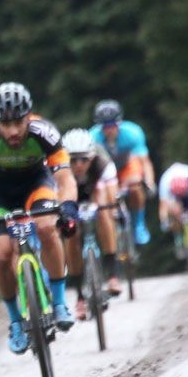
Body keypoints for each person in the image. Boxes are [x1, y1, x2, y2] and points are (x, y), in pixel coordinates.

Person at [0, 82, 79, 353]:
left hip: (36, 184)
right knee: (0, 253)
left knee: (48, 227)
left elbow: (65, 179)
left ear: (29, 116)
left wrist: (69, 208)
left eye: (19, 122)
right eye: (6, 124)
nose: (13, 131)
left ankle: (59, 302)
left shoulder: (45, 133)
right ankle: (15, 320)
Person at [60, 128, 121, 320]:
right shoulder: (57, 167)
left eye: (84, 159)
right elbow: (56, 197)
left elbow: (111, 195)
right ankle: (79, 296)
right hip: (69, 196)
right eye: (73, 160)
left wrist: (108, 208)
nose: (78, 165)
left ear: (92, 157)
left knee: (105, 214)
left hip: (96, 191)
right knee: (70, 233)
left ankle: (112, 274)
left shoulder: (103, 164)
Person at [89, 99, 156, 246]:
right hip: (104, 170)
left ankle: (139, 224)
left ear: (119, 123)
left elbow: (144, 162)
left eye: (112, 125)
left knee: (136, 186)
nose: (109, 130)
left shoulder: (133, 132)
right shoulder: (92, 138)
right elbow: (91, 169)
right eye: (104, 127)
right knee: (104, 200)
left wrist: (150, 182)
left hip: (127, 167)